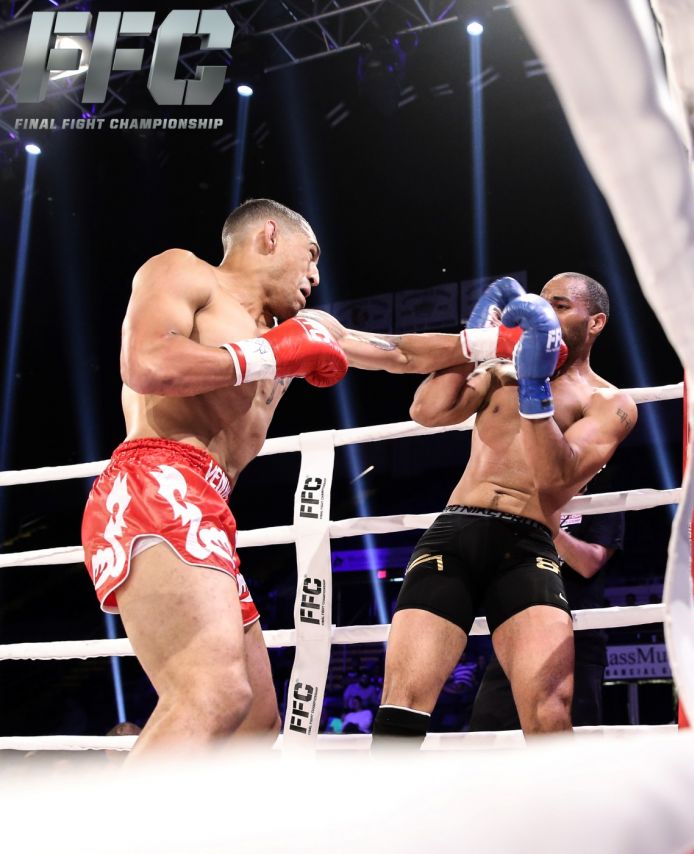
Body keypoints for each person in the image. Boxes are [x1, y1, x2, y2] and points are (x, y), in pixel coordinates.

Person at [80, 198, 500, 759]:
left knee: (255, 719)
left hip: (210, 501)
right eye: (312, 255)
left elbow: (397, 353)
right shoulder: (185, 272)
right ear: (270, 236)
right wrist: (267, 355)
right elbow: (148, 364)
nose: (316, 276)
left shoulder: (305, 329)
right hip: (156, 479)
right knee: (213, 694)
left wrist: (490, 344)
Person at [371, 273, 637, 744]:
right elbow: (428, 410)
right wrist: (477, 343)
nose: (546, 313)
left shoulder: (609, 402)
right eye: (543, 303)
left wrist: (535, 386)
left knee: (550, 712)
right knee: (402, 701)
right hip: (456, 531)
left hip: (528, 543)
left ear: (595, 322)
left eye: (560, 306)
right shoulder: (499, 371)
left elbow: (554, 479)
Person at [470, 506, 625, 731]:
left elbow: (589, 563)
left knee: (573, 733)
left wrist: (547, 525)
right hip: (517, 635)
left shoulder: (602, 502)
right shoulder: (527, 503)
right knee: (488, 730)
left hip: (574, 638)